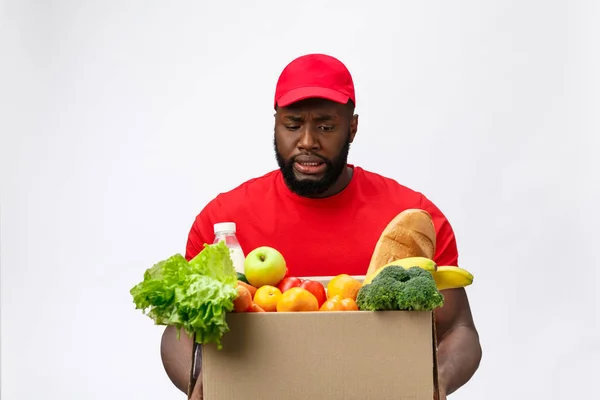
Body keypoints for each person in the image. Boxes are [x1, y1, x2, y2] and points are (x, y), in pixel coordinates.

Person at [160, 53, 482, 399]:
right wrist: (200, 383)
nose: (308, 141)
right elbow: (180, 331)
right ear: (275, 125)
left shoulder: (414, 219)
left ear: (352, 128)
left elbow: (459, 328)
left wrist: (437, 382)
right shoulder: (222, 222)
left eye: (326, 126)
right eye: (293, 124)